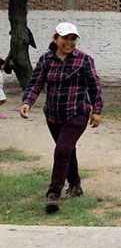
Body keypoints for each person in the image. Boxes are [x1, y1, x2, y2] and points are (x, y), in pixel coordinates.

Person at [19, 23, 103, 214]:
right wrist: (27, 103)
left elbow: (94, 86)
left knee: (62, 150)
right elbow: (36, 84)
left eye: (73, 39)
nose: (69, 42)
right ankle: (75, 185)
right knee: (67, 151)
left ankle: (53, 193)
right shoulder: (46, 60)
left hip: (77, 113)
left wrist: (96, 110)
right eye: (65, 38)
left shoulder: (84, 60)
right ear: (56, 38)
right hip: (53, 115)